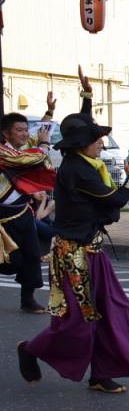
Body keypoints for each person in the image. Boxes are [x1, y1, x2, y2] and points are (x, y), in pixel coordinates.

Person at [17, 74, 129, 395]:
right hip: (72, 257)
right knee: (76, 322)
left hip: (92, 251)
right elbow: (117, 200)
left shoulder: (83, 160)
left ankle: (100, 373)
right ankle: (30, 349)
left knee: (110, 310)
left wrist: (87, 94)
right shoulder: (78, 170)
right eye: (97, 140)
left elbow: (83, 124)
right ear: (82, 145)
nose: (101, 143)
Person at [0, 112, 55, 313]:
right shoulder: (5, 152)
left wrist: (48, 115)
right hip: (2, 216)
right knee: (9, 260)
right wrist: (43, 145)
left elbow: (38, 152)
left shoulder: (23, 150)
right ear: (6, 133)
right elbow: (28, 159)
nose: (24, 134)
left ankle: (27, 298)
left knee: (32, 256)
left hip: (22, 212)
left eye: (25, 130)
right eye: (19, 130)